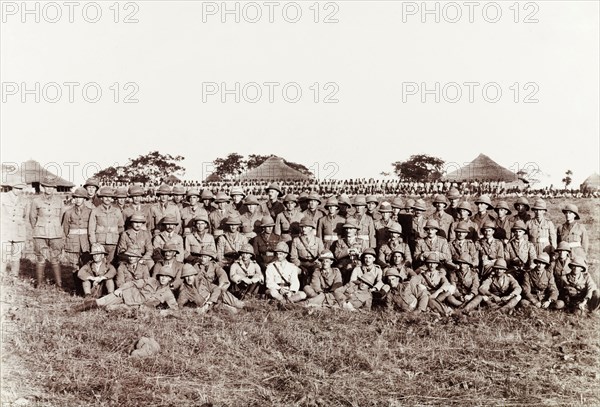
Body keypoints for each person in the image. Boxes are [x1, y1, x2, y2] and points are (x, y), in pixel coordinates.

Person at [71, 264, 178, 313]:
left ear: (170, 279)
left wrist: (165, 313)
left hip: (135, 307)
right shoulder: (150, 280)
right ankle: (75, 309)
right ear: (159, 276)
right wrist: (120, 290)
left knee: (110, 309)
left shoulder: (168, 294)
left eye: (167, 277)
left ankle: (112, 309)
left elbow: (175, 309)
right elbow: (132, 283)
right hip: (125, 295)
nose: (164, 279)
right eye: (162, 276)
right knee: (100, 302)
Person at [29, 177, 66, 287]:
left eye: (51, 187)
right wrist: (38, 228)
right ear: (43, 187)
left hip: (55, 234)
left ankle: (59, 284)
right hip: (40, 233)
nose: (49, 189)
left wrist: (56, 228)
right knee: (40, 258)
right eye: (47, 186)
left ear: (54, 188)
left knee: (55, 258)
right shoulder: (36, 201)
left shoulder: (59, 201)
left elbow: (61, 218)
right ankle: (40, 284)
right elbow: (32, 218)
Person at [177, 263, 243, 314]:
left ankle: (243, 305)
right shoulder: (184, 290)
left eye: (191, 275)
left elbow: (216, 288)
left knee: (237, 303)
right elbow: (179, 306)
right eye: (186, 276)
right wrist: (195, 310)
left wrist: (210, 301)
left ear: (194, 275)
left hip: (215, 298)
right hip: (210, 307)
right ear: (183, 278)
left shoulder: (201, 280)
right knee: (233, 311)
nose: (189, 278)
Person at [191, 248, 242, 313]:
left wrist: (221, 285)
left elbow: (222, 274)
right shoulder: (196, 266)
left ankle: (240, 305)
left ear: (209, 258)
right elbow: (194, 279)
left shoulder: (214, 265)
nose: (202, 258)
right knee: (217, 300)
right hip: (203, 290)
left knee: (227, 296)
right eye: (201, 256)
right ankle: (220, 306)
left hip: (214, 288)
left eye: (204, 257)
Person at [88, 186, 124, 266]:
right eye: (105, 197)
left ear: (112, 198)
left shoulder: (117, 211)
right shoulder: (95, 211)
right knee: (99, 263)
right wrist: (93, 243)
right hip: (99, 242)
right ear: (101, 198)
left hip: (113, 242)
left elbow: (121, 227)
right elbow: (91, 229)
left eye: (110, 197)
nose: (107, 199)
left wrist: (120, 242)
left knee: (111, 263)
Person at [61, 187, 92, 276]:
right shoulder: (68, 212)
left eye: (80, 197)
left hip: (86, 242)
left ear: (85, 199)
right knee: (74, 266)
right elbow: (65, 228)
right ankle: (76, 287)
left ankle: (85, 288)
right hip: (73, 242)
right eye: (76, 197)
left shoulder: (90, 212)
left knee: (87, 265)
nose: (78, 200)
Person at [1, 182, 29, 277]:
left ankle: (14, 276)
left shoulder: (24, 200)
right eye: (17, 188)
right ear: (12, 186)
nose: (19, 190)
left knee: (16, 255)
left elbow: (25, 216)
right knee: (4, 253)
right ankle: (1, 275)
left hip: (18, 231)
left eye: (21, 188)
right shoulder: (3, 197)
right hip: (5, 230)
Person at [289, 217, 325, 286]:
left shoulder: (318, 240)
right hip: (301, 264)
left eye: (306, 227)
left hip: (314, 263)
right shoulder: (296, 240)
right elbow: (293, 257)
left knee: (318, 272)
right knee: (294, 271)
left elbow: (321, 255)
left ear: (311, 228)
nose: (303, 229)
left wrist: (316, 262)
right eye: (302, 227)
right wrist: (300, 264)